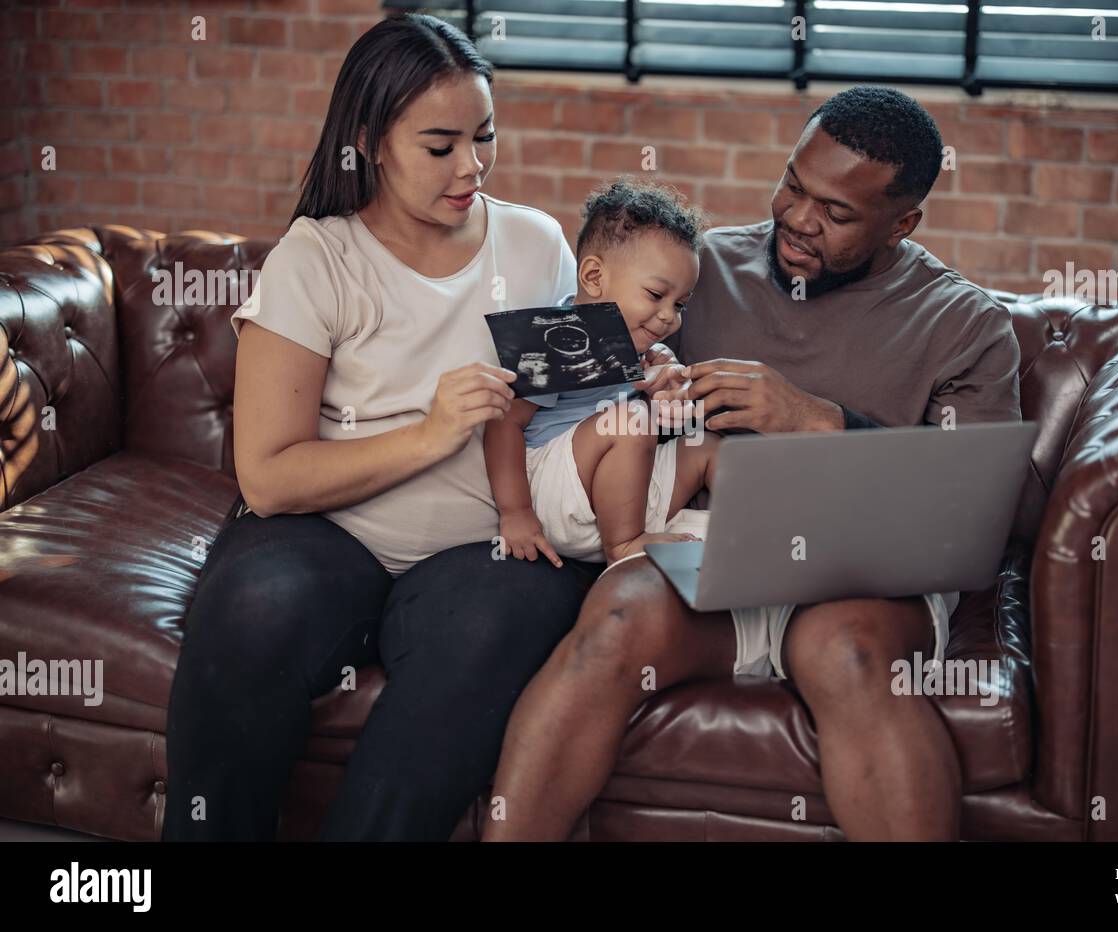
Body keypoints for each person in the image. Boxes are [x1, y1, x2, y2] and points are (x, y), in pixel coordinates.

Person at [482, 86, 1022, 842]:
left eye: (836, 213)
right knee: (616, 620)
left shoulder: (964, 323)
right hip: (714, 546)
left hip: (865, 564)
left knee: (842, 651)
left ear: (903, 224)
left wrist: (817, 421)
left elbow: (989, 504)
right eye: (794, 186)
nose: (800, 220)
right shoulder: (698, 275)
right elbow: (555, 361)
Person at [163, 14, 599, 841]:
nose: (471, 166)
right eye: (441, 145)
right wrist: (430, 435)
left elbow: (561, 407)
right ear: (369, 141)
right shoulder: (317, 258)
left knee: (494, 628)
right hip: (326, 531)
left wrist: (639, 377)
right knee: (255, 608)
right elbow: (268, 476)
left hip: (481, 551)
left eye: (485, 137)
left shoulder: (537, 245)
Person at [485, 179, 719, 567]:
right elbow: (502, 425)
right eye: (655, 295)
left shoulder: (643, 348)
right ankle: (625, 547)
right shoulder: (555, 339)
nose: (668, 317)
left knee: (709, 447)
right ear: (594, 277)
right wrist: (516, 513)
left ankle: (763, 528)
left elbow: (653, 428)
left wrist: (667, 394)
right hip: (556, 494)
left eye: (680, 305)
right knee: (628, 421)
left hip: (623, 496)